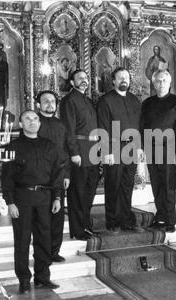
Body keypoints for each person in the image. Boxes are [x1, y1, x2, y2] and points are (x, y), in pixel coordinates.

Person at [1, 110, 63, 294]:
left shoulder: (49, 146)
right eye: (27, 119)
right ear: (21, 123)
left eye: (35, 118)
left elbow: (57, 175)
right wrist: (10, 202)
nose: (32, 122)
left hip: (45, 199)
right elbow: (7, 178)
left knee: (44, 239)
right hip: (22, 199)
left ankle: (42, 278)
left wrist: (57, 197)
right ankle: (23, 280)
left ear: (39, 123)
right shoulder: (12, 147)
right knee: (22, 240)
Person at [140, 69, 176, 233]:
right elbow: (142, 127)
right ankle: (160, 216)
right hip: (151, 149)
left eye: (164, 81)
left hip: (170, 148)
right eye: (158, 81)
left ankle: (170, 220)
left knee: (169, 185)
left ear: (169, 82)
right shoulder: (147, 103)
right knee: (156, 185)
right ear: (153, 83)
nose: (161, 84)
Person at [97, 67, 144, 234]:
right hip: (113, 147)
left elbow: (139, 125)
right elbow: (102, 126)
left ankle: (127, 221)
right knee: (113, 186)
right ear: (113, 81)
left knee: (127, 185)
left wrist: (139, 148)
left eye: (126, 77)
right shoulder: (106, 100)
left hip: (131, 147)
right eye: (120, 77)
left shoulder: (134, 100)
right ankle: (112, 222)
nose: (124, 80)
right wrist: (106, 151)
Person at [60, 70, 100, 240]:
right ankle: (77, 230)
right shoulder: (68, 101)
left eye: (86, 78)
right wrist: (74, 153)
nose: (84, 81)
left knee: (89, 191)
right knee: (77, 193)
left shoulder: (89, 101)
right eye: (80, 78)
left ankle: (85, 225)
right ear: (71, 82)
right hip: (79, 152)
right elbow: (68, 129)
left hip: (93, 151)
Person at [36, 90, 70, 262]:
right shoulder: (33, 123)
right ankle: (41, 252)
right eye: (46, 101)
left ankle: (54, 251)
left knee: (57, 216)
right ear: (38, 105)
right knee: (42, 217)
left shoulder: (61, 125)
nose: (50, 104)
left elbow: (65, 151)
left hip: (58, 176)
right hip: (39, 177)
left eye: (52, 101)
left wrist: (67, 175)